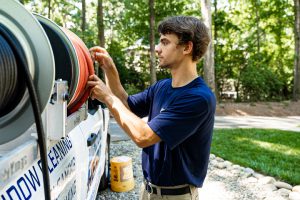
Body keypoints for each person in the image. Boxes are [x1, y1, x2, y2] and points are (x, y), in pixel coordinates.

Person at [88, 16, 216, 200]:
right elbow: (127, 105)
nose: (157, 49)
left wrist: (107, 96)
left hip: (176, 196)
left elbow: (143, 136)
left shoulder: (198, 98)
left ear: (187, 47)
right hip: (148, 191)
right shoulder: (162, 87)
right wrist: (109, 68)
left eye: (165, 42)